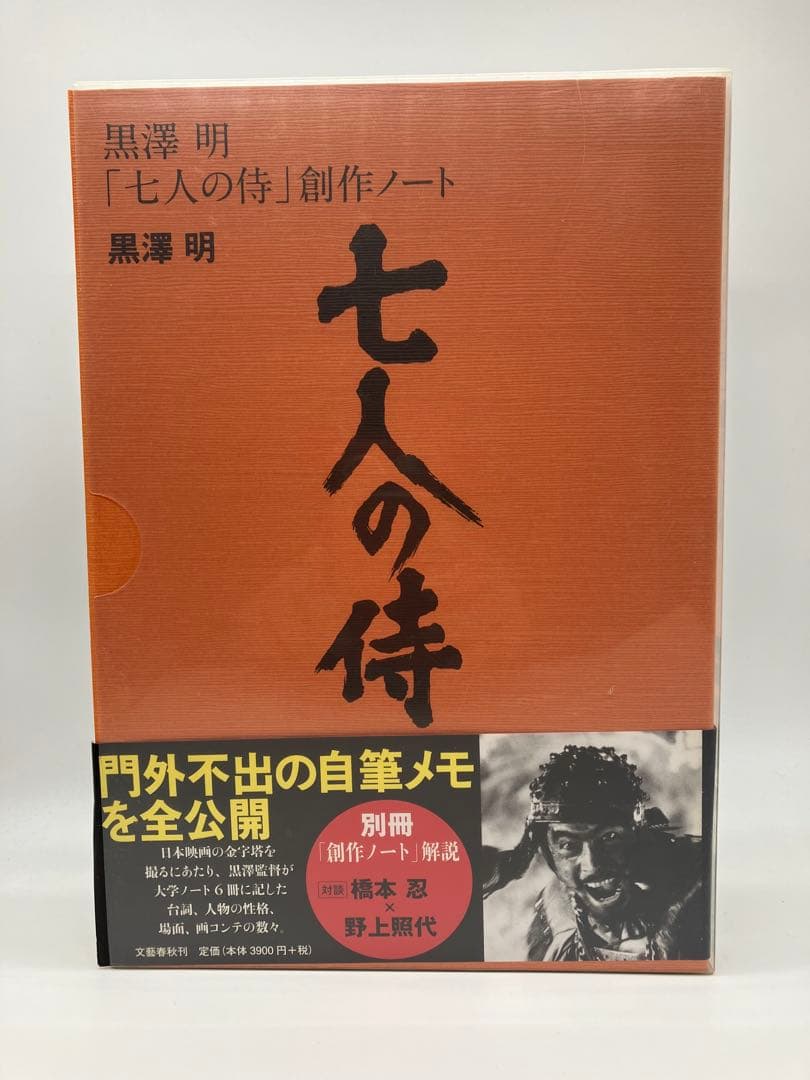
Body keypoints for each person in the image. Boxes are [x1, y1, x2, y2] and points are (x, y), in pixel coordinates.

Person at [482, 745, 707, 961]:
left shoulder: (697, 895)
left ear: (639, 835)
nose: (592, 864)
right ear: (547, 852)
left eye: (610, 838)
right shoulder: (554, 917)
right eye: (569, 845)